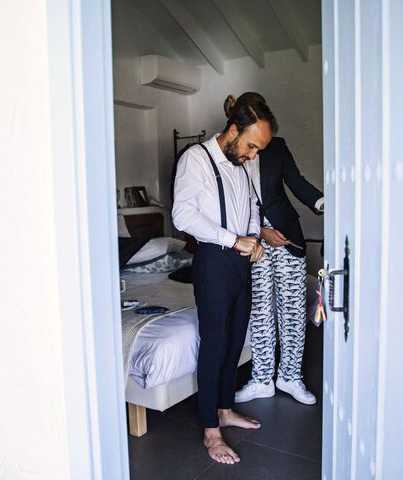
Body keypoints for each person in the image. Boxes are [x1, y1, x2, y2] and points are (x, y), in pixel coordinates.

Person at [172, 92, 277, 464]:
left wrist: (253, 239)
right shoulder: (195, 160)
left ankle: (225, 409)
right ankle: (210, 431)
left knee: (235, 338)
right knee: (214, 342)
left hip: (239, 260)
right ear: (233, 130)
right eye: (250, 145)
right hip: (213, 260)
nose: (252, 154)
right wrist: (234, 240)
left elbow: (250, 205)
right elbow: (183, 216)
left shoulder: (244, 164)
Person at [225, 94, 324, 406]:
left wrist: (326, 203)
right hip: (252, 240)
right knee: (261, 312)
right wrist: (260, 232)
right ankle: (262, 379)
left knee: (293, 309)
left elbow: (297, 182)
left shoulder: (277, 147)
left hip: (286, 236)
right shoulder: (230, 151)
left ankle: (290, 377)